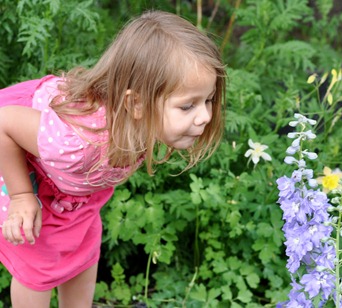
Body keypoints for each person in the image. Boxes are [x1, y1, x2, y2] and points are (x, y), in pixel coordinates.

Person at [0, 10, 226, 307]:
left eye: (207, 100)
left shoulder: (137, 124)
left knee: (83, 247)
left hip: (73, 192)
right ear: (135, 103)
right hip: (17, 166)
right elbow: (3, 122)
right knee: (39, 263)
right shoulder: (75, 141)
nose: (205, 116)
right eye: (187, 107)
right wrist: (21, 196)